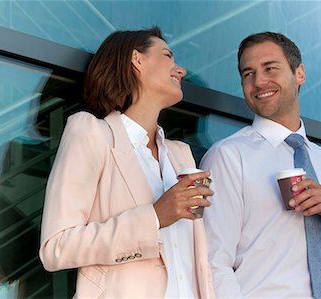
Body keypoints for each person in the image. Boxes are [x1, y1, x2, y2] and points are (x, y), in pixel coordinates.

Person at [39, 27, 215, 298]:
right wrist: (154, 217)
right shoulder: (92, 133)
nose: (180, 71)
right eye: (168, 56)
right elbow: (56, 247)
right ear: (137, 59)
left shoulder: (181, 155)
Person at [200, 32, 321, 298]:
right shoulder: (228, 156)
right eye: (248, 74)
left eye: (270, 68)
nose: (259, 81)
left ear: (300, 73)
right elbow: (213, 265)